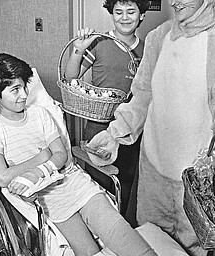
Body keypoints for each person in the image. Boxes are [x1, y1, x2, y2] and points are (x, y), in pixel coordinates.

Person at [86, 0, 215, 255]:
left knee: (193, 249)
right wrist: (115, 133)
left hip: (196, 183)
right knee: (148, 243)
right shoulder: (159, 37)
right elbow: (143, 95)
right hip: (153, 171)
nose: (175, 1)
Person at [0, 53, 157, 256]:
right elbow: (2, 177)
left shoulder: (39, 114)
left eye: (25, 86)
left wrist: (38, 170)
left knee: (122, 234)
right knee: (89, 251)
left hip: (72, 181)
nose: (24, 94)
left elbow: (61, 154)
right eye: (15, 90)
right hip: (47, 198)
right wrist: (43, 157)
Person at [64, 0, 150, 223]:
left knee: (127, 180)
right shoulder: (100, 43)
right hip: (98, 126)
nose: (124, 17)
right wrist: (78, 50)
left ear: (141, 15)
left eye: (131, 12)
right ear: (111, 14)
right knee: (97, 181)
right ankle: (98, 227)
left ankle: (121, 227)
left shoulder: (147, 49)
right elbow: (71, 77)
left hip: (131, 130)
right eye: (118, 12)